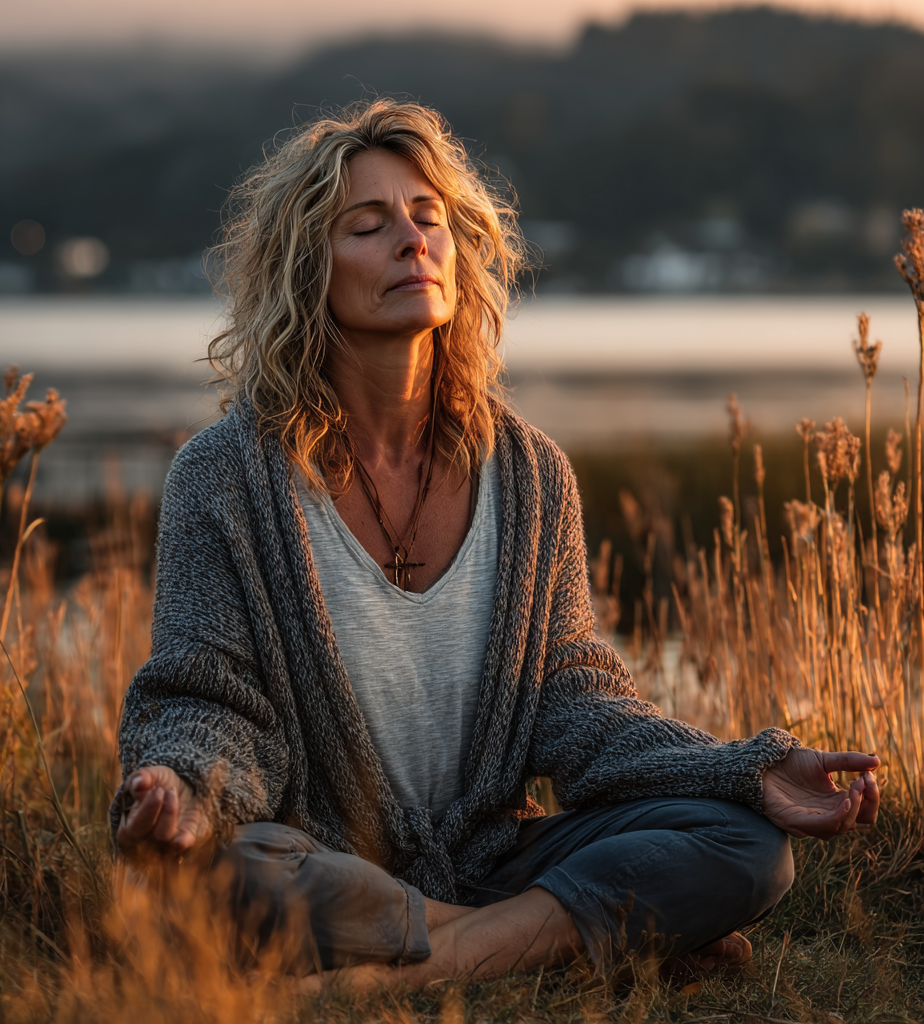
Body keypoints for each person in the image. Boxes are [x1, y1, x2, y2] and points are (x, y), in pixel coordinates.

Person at [111, 100, 880, 987]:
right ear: (304, 270)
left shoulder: (531, 473)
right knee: (221, 877)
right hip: (322, 859)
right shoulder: (226, 477)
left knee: (747, 847)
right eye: (368, 226)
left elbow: (574, 700)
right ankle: (553, 943)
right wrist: (182, 789)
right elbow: (209, 696)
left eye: (428, 218)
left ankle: (415, 971)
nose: (412, 240)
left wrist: (745, 770)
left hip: (493, 855)